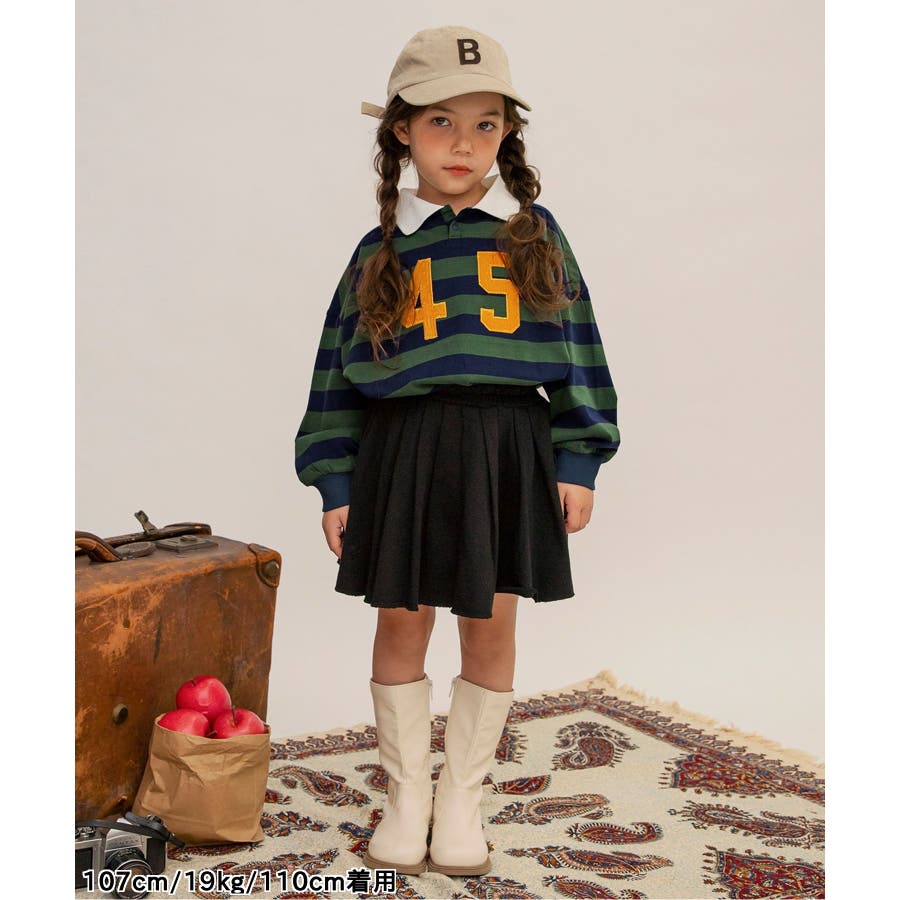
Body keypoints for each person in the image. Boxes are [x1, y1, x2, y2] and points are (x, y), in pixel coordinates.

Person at [293, 25, 620, 878]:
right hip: (403, 448)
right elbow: (333, 374)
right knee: (401, 619)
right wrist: (336, 481)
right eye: (441, 121)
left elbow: (581, 348)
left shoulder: (534, 235)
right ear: (402, 129)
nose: (464, 145)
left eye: (485, 124)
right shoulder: (380, 250)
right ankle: (408, 795)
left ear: (507, 133)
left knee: (490, 621)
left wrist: (577, 459)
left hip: (507, 450)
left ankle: (462, 798)